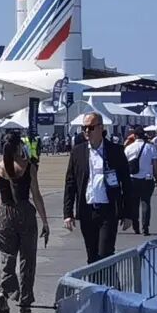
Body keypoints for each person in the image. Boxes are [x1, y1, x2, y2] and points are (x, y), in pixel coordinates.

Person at [0, 133, 49, 313]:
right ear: (18, 147)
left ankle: (4, 291)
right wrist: (45, 221)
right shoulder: (28, 166)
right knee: (27, 259)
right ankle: (25, 301)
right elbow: (36, 195)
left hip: (5, 215)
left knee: (7, 257)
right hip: (25, 214)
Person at [63, 112, 135, 264]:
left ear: (100, 128)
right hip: (87, 210)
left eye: (90, 127)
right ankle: (96, 280)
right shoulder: (78, 152)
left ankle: (108, 279)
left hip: (108, 210)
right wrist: (68, 213)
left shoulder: (115, 151)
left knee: (105, 255)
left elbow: (126, 183)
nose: (86, 131)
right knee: (92, 257)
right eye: (84, 128)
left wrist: (129, 214)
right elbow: (70, 183)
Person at [124, 130, 157, 236]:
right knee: (146, 202)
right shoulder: (151, 147)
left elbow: (124, 164)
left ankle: (136, 226)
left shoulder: (129, 148)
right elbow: (155, 164)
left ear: (135, 136)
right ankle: (145, 227)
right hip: (147, 178)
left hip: (133, 178)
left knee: (134, 203)